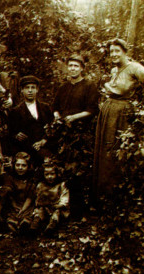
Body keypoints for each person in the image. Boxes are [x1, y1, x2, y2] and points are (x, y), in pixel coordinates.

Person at [93, 38, 144, 202]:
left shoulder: (134, 67)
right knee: (104, 151)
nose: (114, 54)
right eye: (111, 52)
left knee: (114, 152)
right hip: (108, 112)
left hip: (121, 115)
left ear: (125, 52)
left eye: (117, 51)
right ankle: (101, 195)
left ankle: (114, 196)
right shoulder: (115, 69)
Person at [52, 54, 99, 215]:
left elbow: (92, 110)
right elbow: (55, 107)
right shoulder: (63, 87)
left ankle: (78, 210)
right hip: (63, 134)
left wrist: (74, 117)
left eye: (76, 66)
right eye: (70, 65)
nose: (72, 68)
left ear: (82, 68)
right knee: (63, 168)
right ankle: (62, 205)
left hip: (80, 134)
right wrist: (57, 116)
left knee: (78, 171)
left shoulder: (89, 86)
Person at [8, 75, 54, 165]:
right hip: (24, 150)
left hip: (43, 149)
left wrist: (43, 141)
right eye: (27, 88)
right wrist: (16, 136)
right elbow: (10, 133)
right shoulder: (15, 111)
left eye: (33, 88)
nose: (30, 90)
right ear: (22, 90)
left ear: (37, 90)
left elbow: (52, 128)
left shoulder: (45, 108)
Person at [30, 158, 70, 235]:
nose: (49, 177)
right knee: (38, 213)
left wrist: (58, 206)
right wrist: (41, 206)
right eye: (47, 174)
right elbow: (38, 199)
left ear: (57, 174)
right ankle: (34, 227)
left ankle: (51, 228)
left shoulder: (61, 185)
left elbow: (65, 200)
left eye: (52, 174)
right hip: (45, 208)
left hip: (57, 208)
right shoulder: (41, 185)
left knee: (56, 215)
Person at [6, 152, 36, 233]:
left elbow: (30, 197)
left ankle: (24, 225)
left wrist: (23, 209)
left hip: (27, 205)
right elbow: (10, 195)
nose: (20, 168)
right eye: (18, 165)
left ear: (28, 166)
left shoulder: (31, 179)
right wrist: (14, 205)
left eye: (23, 165)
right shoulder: (11, 178)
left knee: (27, 217)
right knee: (11, 219)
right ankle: (14, 225)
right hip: (14, 204)